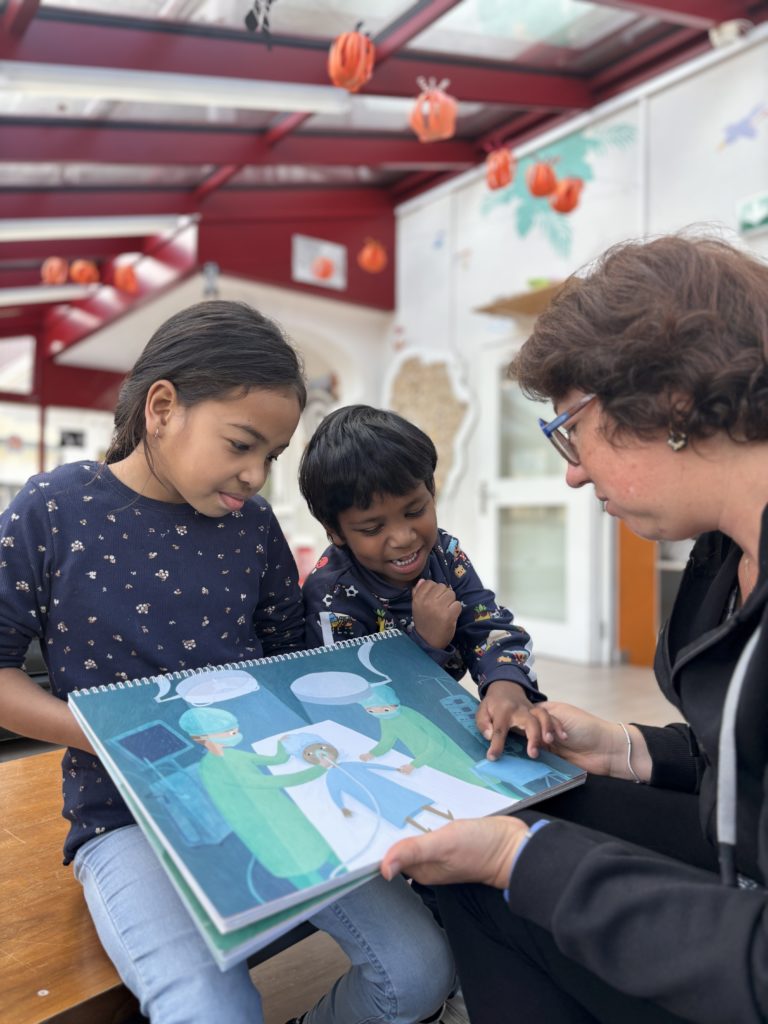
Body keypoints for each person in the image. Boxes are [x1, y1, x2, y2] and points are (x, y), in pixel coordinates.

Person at [0, 301, 453, 1024]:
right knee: (211, 1011)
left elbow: (291, 662)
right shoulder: (54, 509)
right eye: (242, 445)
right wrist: (111, 736)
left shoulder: (254, 526)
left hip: (270, 785)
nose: (255, 476)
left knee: (419, 970)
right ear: (162, 408)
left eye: (271, 456)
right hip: (124, 817)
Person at [379, 233, 768, 1024]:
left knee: (501, 864)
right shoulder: (724, 557)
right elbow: (749, 757)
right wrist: (625, 748)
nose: (573, 470)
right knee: (508, 823)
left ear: (673, 402)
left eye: (571, 427)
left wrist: (520, 861)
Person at [299, 404, 560, 762]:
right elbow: (351, 698)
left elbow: (487, 625)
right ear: (336, 532)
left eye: (415, 511)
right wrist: (426, 643)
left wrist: (506, 685)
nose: (404, 537)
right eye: (373, 528)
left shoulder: (445, 553)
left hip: (439, 725)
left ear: (431, 491)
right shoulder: (330, 596)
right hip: (371, 749)